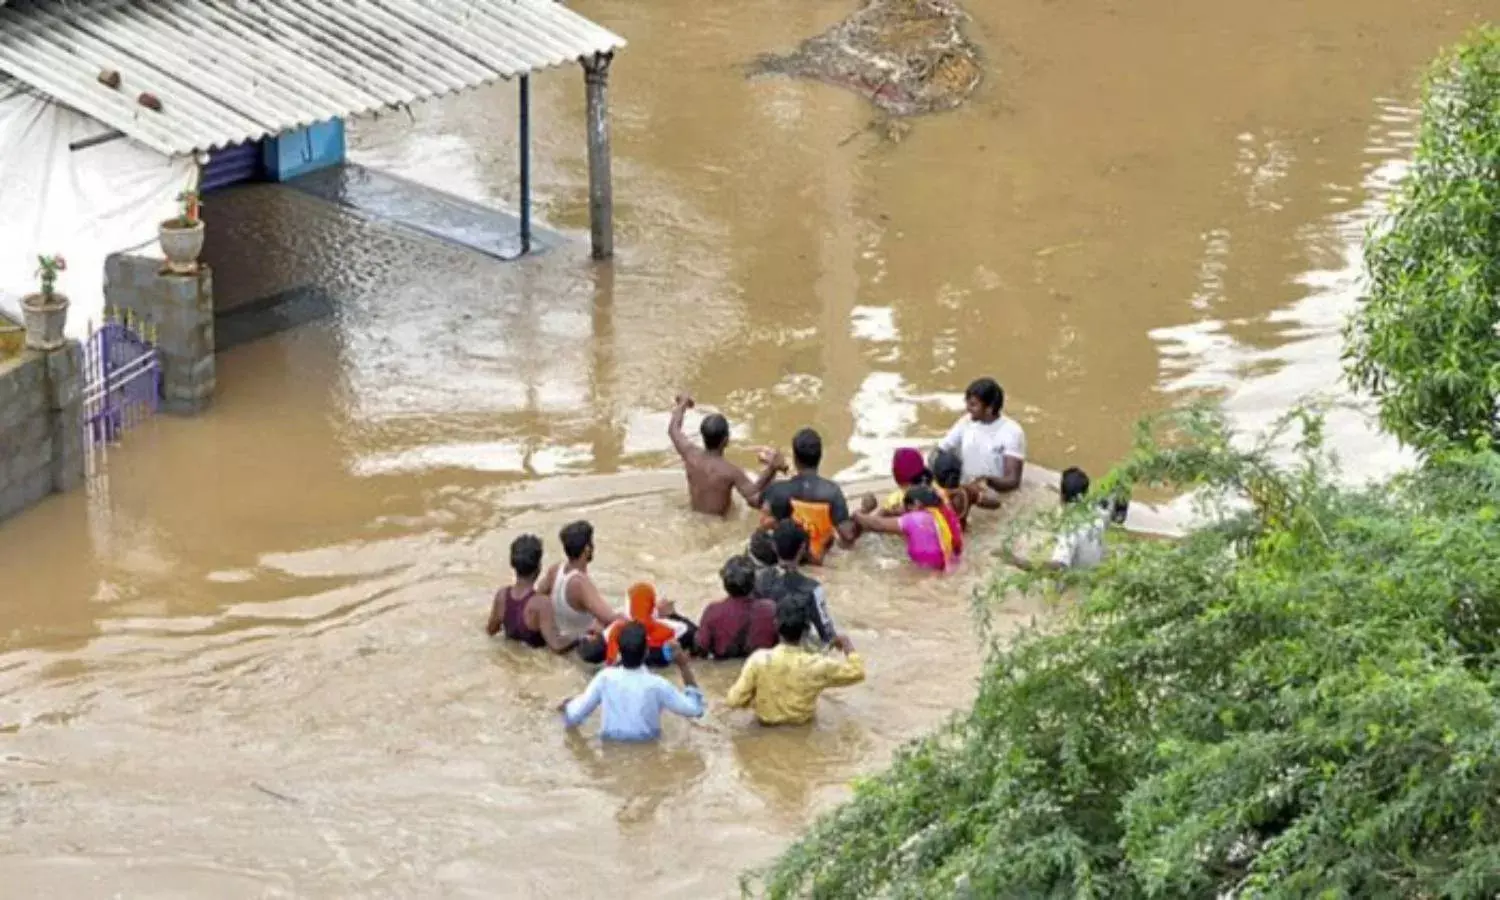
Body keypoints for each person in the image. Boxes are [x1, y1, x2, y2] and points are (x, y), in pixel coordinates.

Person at [724, 598, 866, 726]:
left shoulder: (759, 660)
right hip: (803, 726)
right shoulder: (819, 664)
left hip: (764, 727)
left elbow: (733, 700)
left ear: (776, 624)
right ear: (805, 629)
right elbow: (857, 672)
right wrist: (846, 643)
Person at [559, 623, 705, 742]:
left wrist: (566, 707)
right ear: (647, 651)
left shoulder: (605, 678)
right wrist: (683, 665)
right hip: (647, 750)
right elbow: (695, 709)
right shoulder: (658, 685)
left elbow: (574, 715)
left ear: (619, 651)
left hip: (611, 748)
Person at [668, 394, 786, 516]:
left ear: (703, 436)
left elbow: (673, 430)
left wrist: (682, 404)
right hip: (719, 524)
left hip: (694, 516)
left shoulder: (690, 454)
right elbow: (753, 497)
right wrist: (772, 469)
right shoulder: (731, 471)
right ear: (726, 440)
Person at [760, 428, 856, 564]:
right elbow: (847, 537)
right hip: (818, 560)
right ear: (820, 456)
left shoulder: (778, 490)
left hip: (788, 558)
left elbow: (755, 500)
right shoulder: (832, 492)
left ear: (794, 458)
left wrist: (772, 468)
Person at [534, 521, 623, 662]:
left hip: (560, 644)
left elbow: (536, 597)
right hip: (581, 654)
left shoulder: (555, 570)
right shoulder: (580, 584)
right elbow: (611, 620)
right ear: (587, 549)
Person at [756, 519, 850, 650]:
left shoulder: (759, 579)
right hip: (797, 651)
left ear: (773, 545)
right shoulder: (812, 589)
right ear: (802, 548)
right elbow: (828, 636)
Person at [1003, 467, 1111, 572]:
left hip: (1075, 581)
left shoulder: (1070, 527)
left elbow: (1059, 566)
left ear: (1062, 497)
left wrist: (1020, 562)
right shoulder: (1099, 513)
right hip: (1095, 576)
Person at [486, 533, 578, 653]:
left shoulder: (502, 596)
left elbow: (491, 630)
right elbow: (556, 645)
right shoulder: (541, 604)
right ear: (539, 567)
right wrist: (578, 637)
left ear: (513, 564)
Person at [936, 376, 1027, 496]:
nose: (968, 408)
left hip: (995, 497)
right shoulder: (965, 422)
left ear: (989, 408)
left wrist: (986, 481)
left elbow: (1012, 481)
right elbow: (941, 449)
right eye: (967, 403)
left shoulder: (1012, 432)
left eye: (973, 405)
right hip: (965, 492)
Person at [853, 485, 962, 571]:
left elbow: (877, 525)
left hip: (926, 577)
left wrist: (858, 513)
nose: (905, 510)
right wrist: (890, 511)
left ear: (916, 504)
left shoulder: (915, 519)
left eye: (906, 506)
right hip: (950, 569)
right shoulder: (944, 515)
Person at [694, 555, 779, 660]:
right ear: (754, 581)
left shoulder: (712, 611)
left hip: (723, 671)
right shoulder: (770, 609)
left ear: (724, 583)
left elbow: (701, 649)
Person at [602, 582, 698, 667]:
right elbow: (694, 633)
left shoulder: (613, 631)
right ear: (651, 605)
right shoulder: (669, 628)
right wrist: (672, 614)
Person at [931, 448, 999, 528]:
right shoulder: (967, 491)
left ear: (935, 475)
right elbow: (995, 503)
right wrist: (978, 491)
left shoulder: (929, 493)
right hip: (959, 531)